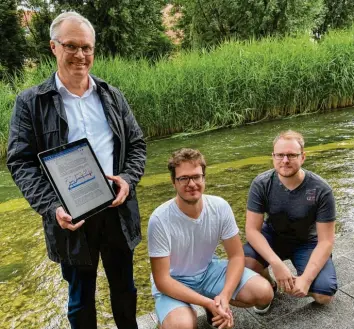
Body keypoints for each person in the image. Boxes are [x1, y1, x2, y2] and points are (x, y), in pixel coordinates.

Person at [7, 11, 146, 329]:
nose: (81, 55)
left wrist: (126, 179)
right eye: (71, 46)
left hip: (117, 208)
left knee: (125, 292)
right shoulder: (31, 102)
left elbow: (137, 146)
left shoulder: (112, 95)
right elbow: (20, 162)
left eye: (87, 47)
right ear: (53, 47)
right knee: (80, 300)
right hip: (71, 218)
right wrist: (51, 207)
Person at [147, 148, 273, 329]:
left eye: (197, 176)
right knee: (180, 326)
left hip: (208, 271)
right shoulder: (159, 219)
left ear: (204, 178)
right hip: (174, 281)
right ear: (173, 182)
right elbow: (162, 280)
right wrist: (209, 303)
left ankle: (211, 305)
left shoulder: (219, 206)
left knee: (264, 292)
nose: (191, 183)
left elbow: (236, 256)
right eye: (184, 178)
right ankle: (170, 317)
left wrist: (225, 296)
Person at [244, 130, 337, 314]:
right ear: (273, 156)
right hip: (273, 235)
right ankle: (269, 284)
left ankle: (302, 279)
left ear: (303, 157)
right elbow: (252, 230)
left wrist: (306, 279)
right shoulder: (261, 183)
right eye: (280, 155)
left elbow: (326, 240)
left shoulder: (321, 189)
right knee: (245, 264)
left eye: (291, 155)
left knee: (324, 296)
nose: (285, 160)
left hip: (307, 242)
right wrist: (277, 265)